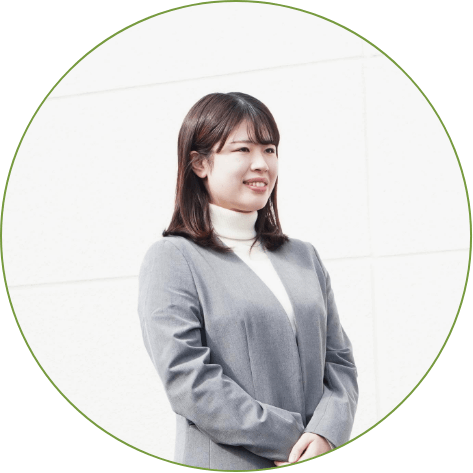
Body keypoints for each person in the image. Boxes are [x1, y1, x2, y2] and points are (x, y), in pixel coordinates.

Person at [137, 92, 358, 470]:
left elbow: (339, 362)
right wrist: (291, 440)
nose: (261, 163)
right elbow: (187, 378)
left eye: (269, 149)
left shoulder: (303, 257)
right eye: (243, 149)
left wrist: (326, 433)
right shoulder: (173, 258)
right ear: (200, 163)